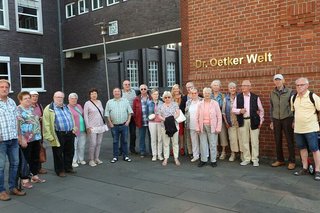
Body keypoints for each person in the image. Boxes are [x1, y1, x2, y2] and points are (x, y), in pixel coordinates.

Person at [0, 79, 26, 201]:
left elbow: (17, 120)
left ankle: (13, 187)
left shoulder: (11, 102)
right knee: (0, 167)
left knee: (15, 164)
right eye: (1, 87)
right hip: (1, 140)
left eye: (6, 87)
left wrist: (20, 136)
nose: (4, 89)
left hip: (13, 139)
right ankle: (1, 191)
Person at [292, 77, 320, 181]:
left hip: (311, 129)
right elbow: (294, 111)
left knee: (315, 149)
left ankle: (318, 171)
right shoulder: (293, 98)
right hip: (298, 130)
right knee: (302, 148)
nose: (299, 87)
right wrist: (294, 122)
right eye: (297, 85)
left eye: (302, 85)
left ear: (307, 85)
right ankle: (305, 168)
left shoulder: (313, 97)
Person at [43, 91, 76, 177]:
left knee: (70, 151)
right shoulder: (49, 108)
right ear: (53, 98)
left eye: (61, 97)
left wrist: (74, 128)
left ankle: (68, 167)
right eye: (57, 97)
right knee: (58, 153)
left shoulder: (66, 107)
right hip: (58, 134)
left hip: (69, 133)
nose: (59, 99)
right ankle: (60, 170)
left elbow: (71, 118)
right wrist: (49, 136)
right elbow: (46, 123)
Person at [17, 91, 46, 189]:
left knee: (35, 158)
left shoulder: (32, 109)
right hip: (26, 139)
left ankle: (34, 176)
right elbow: (18, 126)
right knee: (25, 159)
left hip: (36, 137)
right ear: (20, 100)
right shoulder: (18, 110)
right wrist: (21, 138)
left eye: (29, 98)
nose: (28, 100)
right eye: (25, 98)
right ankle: (24, 180)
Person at [232, 80, 264, 167]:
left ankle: (255, 159)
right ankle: (247, 159)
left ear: (250, 87)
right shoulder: (238, 97)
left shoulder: (255, 97)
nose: (243, 87)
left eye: (246, 85)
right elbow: (233, 109)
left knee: (254, 141)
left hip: (254, 121)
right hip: (243, 120)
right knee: (244, 141)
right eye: (242, 85)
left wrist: (261, 121)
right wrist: (240, 111)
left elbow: (261, 110)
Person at [270, 74, 295, 170]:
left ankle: (292, 161)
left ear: (283, 81)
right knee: (277, 140)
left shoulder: (290, 92)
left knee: (289, 140)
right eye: (276, 80)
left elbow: (294, 107)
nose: (277, 81)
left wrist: (294, 120)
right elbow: (271, 107)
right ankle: (280, 160)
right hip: (276, 119)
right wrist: (272, 120)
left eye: (279, 80)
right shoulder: (272, 93)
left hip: (287, 118)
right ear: (274, 82)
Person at [105, 88, 133, 163]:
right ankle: (115, 157)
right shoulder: (109, 102)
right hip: (114, 126)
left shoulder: (125, 101)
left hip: (124, 125)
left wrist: (128, 121)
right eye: (115, 92)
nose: (117, 93)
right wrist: (110, 123)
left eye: (118, 91)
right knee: (115, 141)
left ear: (120, 93)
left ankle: (126, 156)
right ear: (113, 93)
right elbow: (107, 114)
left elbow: (130, 112)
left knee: (125, 141)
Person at [196, 87, 222, 168]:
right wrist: (197, 127)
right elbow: (197, 116)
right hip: (202, 126)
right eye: (205, 93)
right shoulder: (200, 103)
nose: (206, 94)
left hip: (212, 126)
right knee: (203, 144)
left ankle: (213, 160)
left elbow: (219, 116)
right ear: (203, 94)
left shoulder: (215, 103)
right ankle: (203, 160)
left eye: (208, 92)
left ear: (211, 93)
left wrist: (218, 127)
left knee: (213, 144)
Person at [83, 88, 106, 167]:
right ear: (90, 95)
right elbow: (85, 115)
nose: (94, 95)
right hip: (92, 126)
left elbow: (101, 113)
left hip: (101, 126)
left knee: (99, 143)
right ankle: (91, 160)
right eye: (92, 93)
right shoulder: (87, 103)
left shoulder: (99, 102)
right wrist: (87, 126)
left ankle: (96, 158)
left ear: (97, 94)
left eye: (95, 93)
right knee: (93, 143)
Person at [158, 91, 181, 166]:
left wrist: (171, 119)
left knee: (175, 143)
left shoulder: (175, 104)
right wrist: (165, 120)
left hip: (174, 125)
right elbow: (159, 115)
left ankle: (176, 158)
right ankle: (166, 158)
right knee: (166, 143)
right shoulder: (160, 105)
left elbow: (178, 113)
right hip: (164, 126)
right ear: (163, 98)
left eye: (169, 97)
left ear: (171, 97)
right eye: (165, 97)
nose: (167, 99)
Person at [222, 82, 242, 162]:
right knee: (232, 139)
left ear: (236, 88)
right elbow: (223, 112)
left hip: (239, 121)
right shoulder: (226, 99)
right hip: (230, 121)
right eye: (231, 88)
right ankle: (233, 154)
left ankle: (242, 154)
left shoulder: (240, 97)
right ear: (228, 89)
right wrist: (226, 122)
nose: (232, 89)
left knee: (240, 139)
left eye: (234, 88)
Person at [210, 80, 229, 160]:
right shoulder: (209, 96)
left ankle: (223, 152)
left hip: (221, 118)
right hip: (212, 119)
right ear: (211, 87)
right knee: (214, 136)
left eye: (217, 85)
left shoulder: (223, 96)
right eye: (214, 85)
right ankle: (216, 151)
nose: (215, 87)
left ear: (220, 87)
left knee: (223, 135)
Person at [30, 91, 47, 174]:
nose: (35, 98)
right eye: (33, 96)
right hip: (30, 133)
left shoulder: (39, 106)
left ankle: (39, 168)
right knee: (31, 151)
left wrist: (42, 118)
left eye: (36, 96)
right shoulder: (27, 107)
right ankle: (31, 169)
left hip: (39, 132)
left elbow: (43, 115)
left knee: (39, 149)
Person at [68, 93, 87, 168]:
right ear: (69, 99)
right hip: (74, 130)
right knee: (74, 146)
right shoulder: (67, 108)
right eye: (72, 98)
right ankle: (74, 160)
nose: (74, 100)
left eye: (75, 98)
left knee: (82, 146)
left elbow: (83, 115)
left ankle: (81, 159)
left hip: (82, 129)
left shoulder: (79, 106)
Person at [133, 84, 151, 158]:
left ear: (147, 90)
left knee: (152, 137)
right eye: (142, 89)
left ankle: (152, 151)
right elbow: (134, 111)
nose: (143, 90)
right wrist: (136, 120)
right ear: (140, 90)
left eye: (144, 89)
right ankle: (142, 151)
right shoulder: (136, 99)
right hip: (141, 121)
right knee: (141, 137)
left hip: (151, 122)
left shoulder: (151, 98)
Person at [185, 88, 202, 162]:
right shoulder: (188, 102)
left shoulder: (201, 101)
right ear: (190, 94)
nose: (194, 95)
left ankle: (204, 155)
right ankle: (196, 156)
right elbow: (186, 113)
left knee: (202, 141)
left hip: (200, 124)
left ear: (197, 93)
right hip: (191, 124)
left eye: (195, 93)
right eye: (192, 93)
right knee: (194, 141)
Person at [147, 88, 163, 161]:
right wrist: (150, 117)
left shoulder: (161, 103)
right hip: (152, 123)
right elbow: (146, 113)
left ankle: (159, 154)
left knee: (160, 139)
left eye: (157, 94)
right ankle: (154, 155)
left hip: (160, 122)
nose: (156, 95)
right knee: (153, 139)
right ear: (151, 95)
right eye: (154, 94)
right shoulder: (148, 103)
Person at [122, 80, 137, 154]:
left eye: (128, 84)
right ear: (123, 86)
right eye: (125, 84)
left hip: (132, 116)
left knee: (133, 133)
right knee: (123, 134)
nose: (127, 85)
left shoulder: (134, 92)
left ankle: (132, 148)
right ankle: (122, 149)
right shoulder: (120, 93)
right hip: (123, 117)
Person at [171, 84, 186, 156]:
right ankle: (173, 148)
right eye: (174, 89)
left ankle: (182, 148)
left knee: (181, 134)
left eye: (177, 88)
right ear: (173, 90)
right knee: (173, 133)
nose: (176, 90)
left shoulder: (183, 97)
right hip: (173, 118)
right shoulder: (170, 98)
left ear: (179, 89)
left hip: (180, 118)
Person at [183, 81, 195, 157]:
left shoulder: (199, 97)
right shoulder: (184, 98)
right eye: (187, 87)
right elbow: (181, 109)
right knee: (188, 137)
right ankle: (190, 152)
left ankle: (197, 152)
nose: (189, 89)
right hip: (187, 121)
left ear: (193, 86)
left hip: (196, 121)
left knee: (196, 138)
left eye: (190, 87)